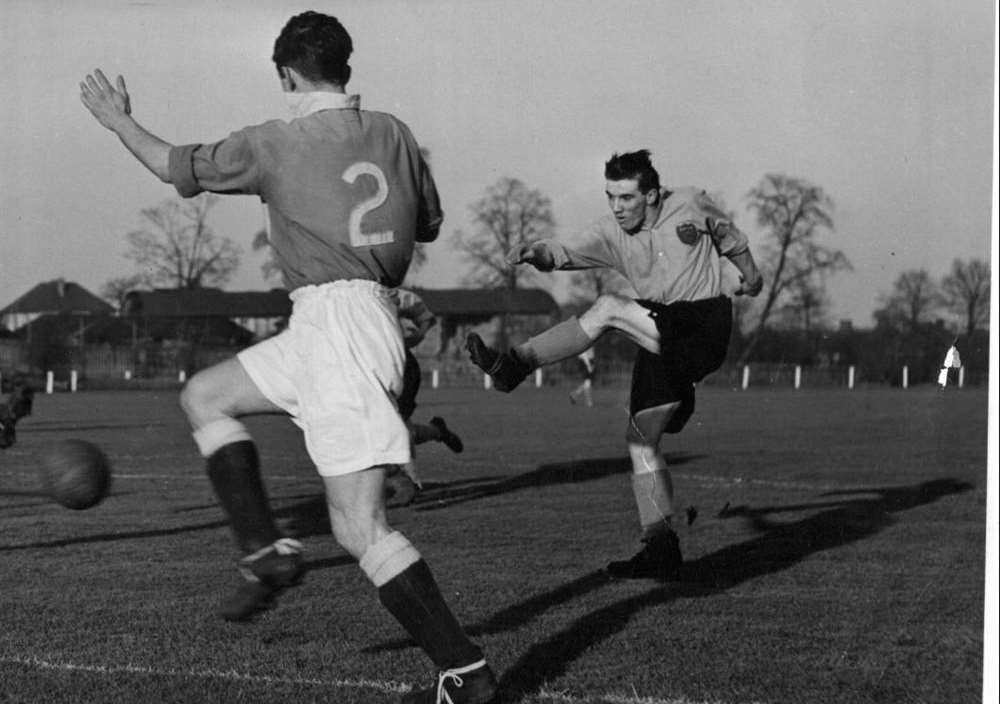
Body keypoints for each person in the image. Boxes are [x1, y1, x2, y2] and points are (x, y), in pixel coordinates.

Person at [80, 12, 498, 703]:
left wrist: (119, 120)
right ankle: (265, 549)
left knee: (360, 526)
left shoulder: (274, 141)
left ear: (285, 75)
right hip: (334, 321)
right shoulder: (395, 133)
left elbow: (168, 163)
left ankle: (466, 673)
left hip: (342, 328)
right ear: (347, 69)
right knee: (204, 396)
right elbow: (429, 223)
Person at [466, 150, 763, 581]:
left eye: (626, 198)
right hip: (660, 333)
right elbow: (566, 252)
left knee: (607, 307)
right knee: (642, 440)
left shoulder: (693, 203)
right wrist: (536, 251)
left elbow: (731, 237)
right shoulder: (611, 232)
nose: (617, 207)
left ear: (653, 194)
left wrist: (751, 277)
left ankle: (515, 364)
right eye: (611, 197)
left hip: (704, 324)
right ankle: (661, 548)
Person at [384, 288, 464, 508]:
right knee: (393, 424)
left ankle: (411, 482)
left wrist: (416, 336)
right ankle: (437, 431)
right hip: (371, 368)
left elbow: (426, 317)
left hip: (401, 368)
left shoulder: (389, 293)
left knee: (395, 423)